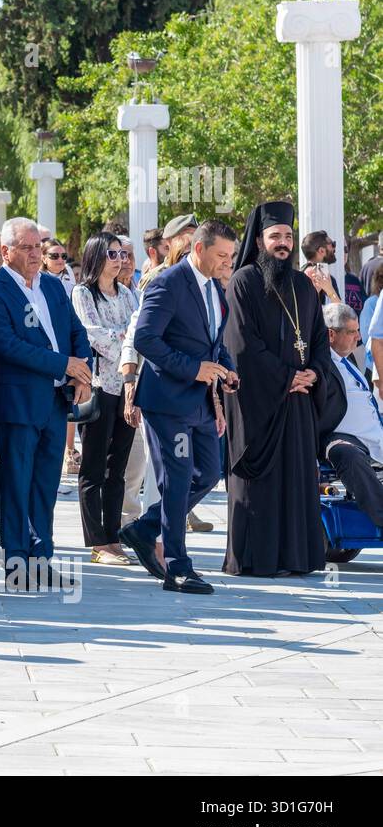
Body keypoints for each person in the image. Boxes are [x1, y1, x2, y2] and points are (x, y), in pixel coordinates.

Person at [120, 219, 239, 594]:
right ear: (199, 249)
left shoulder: (216, 289)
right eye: (222, 255)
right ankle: (177, 566)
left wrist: (227, 371)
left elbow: (213, 343)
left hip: (200, 401)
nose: (227, 262)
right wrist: (194, 369)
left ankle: (144, 527)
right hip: (166, 401)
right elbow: (145, 339)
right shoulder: (166, 283)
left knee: (210, 471)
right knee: (178, 478)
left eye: (230, 256)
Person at [0, 217, 92, 588]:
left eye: (37, 247)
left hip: (56, 402)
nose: (34, 254)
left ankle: (42, 559)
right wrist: (63, 364)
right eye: (25, 247)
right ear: (6, 251)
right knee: (16, 483)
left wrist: (81, 371)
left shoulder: (54, 287)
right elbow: (9, 346)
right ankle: (17, 563)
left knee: (45, 484)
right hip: (18, 402)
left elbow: (76, 331)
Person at [222, 202, 331, 577]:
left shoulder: (303, 284)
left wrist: (313, 373)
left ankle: (295, 558)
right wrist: (287, 377)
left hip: (298, 401)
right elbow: (241, 345)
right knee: (260, 485)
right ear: (259, 240)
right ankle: (256, 560)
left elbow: (318, 338)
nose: (282, 243)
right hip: (259, 402)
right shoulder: (244, 282)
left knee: (297, 480)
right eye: (275, 237)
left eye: (287, 236)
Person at [71, 233, 139, 565]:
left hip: (128, 386)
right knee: (93, 466)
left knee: (119, 468)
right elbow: (91, 333)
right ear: (96, 255)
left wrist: (127, 343)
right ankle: (97, 541)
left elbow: (138, 331)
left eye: (121, 253)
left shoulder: (127, 293)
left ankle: (113, 536)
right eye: (111, 253)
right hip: (100, 387)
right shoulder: (83, 293)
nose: (119, 258)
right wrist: (123, 341)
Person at [319, 304, 383, 528]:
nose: (358, 336)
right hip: (339, 437)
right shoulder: (320, 363)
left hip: (374, 437)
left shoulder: (350, 361)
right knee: (346, 454)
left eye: (358, 330)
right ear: (331, 334)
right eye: (352, 332)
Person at [301, 230, 343, 306]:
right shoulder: (306, 276)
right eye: (332, 244)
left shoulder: (327, 276)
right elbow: (340, 309)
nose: (334, 248)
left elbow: (340, 310)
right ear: (321, 251)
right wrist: (329, 291)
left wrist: (329, 289)